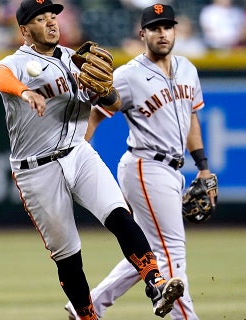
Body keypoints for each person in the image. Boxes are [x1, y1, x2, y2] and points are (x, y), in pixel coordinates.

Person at [0, 1, 184, 319]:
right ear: (24, 30)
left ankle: (155, 283)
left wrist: (104, 91)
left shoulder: (74, 59)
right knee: (69, 257)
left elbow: (114, 101)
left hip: (78, 151)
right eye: (40, 18)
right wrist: (25, 92)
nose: (51, 22)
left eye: (53, 16)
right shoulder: (17, 63)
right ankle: (87, 316)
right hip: (37, 170)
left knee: (119, 215)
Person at [65, 3, 215, 320]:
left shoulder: (188, 68)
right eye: (155, 28)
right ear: (142, 33)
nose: (162, 33)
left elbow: (191, 118)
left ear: (175, 30)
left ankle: (88, 307)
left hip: (174, 170)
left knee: (149, 250)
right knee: (171, 252)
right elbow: (97, 112)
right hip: (146, 166)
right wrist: (77, 155)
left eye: (167, 27)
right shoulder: (129, 75)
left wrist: (202, 165)